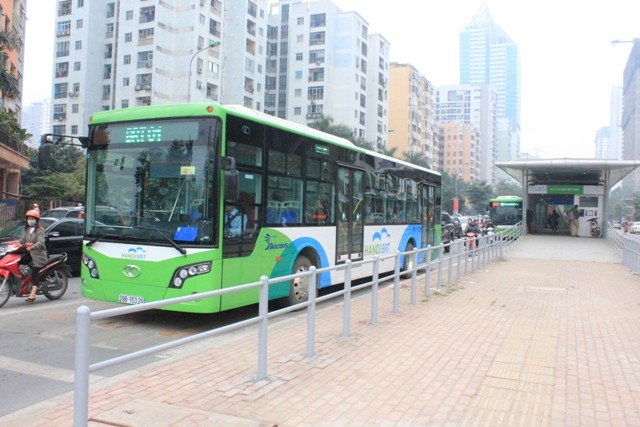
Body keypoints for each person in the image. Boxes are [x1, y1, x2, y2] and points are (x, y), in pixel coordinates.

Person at [19, 209, 47, 303]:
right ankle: (26, 282)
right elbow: (22, 240)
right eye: (28, 218)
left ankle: (33, 294)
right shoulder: (27, 229)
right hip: (30, 254)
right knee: (19, 262)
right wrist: (16, 244)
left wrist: (32, 247)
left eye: (32, 218)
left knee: (35, 273)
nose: (30, 220)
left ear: (36, 220)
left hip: (39, 255)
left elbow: (41, 242)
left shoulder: (40, 230)